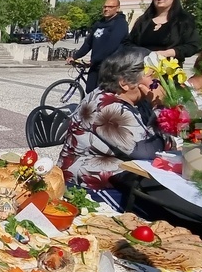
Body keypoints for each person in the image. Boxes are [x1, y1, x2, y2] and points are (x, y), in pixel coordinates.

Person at [57, 47, 177, 210]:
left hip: (119, 179)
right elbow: (149, 152)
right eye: (152, 75)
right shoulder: (109, 107)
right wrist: (161, 107)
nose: (159, 81)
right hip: (87, 187)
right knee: (161, 210)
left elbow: (164, 144)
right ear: (125, 82)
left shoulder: (135, 101)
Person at [123, 0, 201, 65]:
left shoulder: (183, 21)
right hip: (141, 67)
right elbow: (129, 43)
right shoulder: (143, 21)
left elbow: (192, 46)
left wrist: (166, 53)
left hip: (168, 69)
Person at [68, 0, 129, 92]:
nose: (106, 9)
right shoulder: (99, 23)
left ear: (117, 8)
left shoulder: (120, 24)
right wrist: (75, 56)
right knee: (90, 90)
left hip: (111, 65)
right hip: (96, 64)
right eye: (105, 6)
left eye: (110, 7)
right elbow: (88, 43)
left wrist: (94, 60)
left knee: (103, 93)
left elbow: (112, 45)